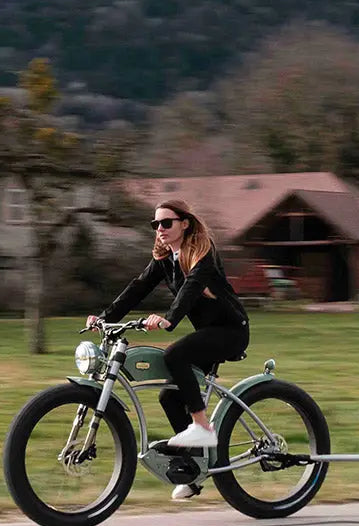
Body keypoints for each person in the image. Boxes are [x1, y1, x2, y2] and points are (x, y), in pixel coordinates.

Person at [86, 199, 250, 499]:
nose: (159, 229)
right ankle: (192, 468)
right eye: (155, 224)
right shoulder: (166, 259)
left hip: (231, 330)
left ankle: (202, 427)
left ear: (184, 223)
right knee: (168, 397)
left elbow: (191, 288)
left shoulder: (202, 254)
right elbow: (139, 287)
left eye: (166, 223)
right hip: (209, 332)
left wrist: (169, 319)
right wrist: (105, 318)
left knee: (174, 354)